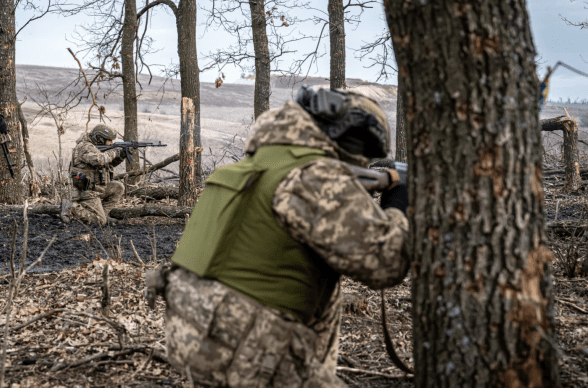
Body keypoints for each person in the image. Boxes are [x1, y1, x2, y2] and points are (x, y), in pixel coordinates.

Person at [146, 86, 410, 387]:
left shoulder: (257, 166)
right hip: (247, 351)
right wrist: (398, 206)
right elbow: (386, 263)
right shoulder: (313, 176)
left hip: (192, 334)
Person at [61, 124, 126, 226]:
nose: (111, 143)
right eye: (109, 140)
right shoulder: (84, 147)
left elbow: (109, 163)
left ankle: (102, 216)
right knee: (100, 221)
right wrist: (114, 152)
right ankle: (71, 207)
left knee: (118, 187)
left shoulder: (95, 147)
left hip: (96, 189)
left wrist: (121, 156)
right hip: (86, 192)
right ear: (99, 139)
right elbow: (99, 160)